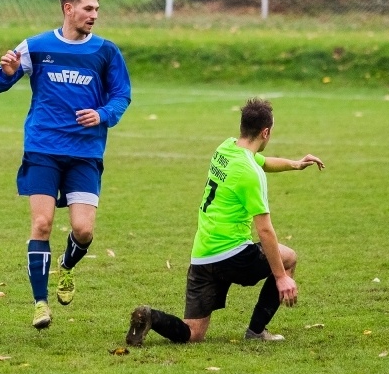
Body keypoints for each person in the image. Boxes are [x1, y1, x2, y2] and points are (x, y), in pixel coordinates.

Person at [0, 0, 132, 329]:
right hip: (43, 148)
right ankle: (40, 303)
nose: (94, 14)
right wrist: (6, 72)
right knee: (41, 223)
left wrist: (102, 114)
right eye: (88, 8)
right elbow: (0, 81)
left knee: (83, 231)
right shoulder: (37, 46)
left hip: (85, 152)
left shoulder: (105, 51)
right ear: (69, 9)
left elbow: (121, 95)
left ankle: (66, 268)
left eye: (97, 9)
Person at [125, 98, 324, 345]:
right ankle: (256, 331)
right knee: (288, 258)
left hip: (203, 254)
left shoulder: (225, 149)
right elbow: (264, 230)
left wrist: (295, 164)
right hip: (233, 255)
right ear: (266, 132)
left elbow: (263, 162)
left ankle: (151, 317)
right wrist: (281, 277)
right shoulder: (250, 174)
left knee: (193, 334)